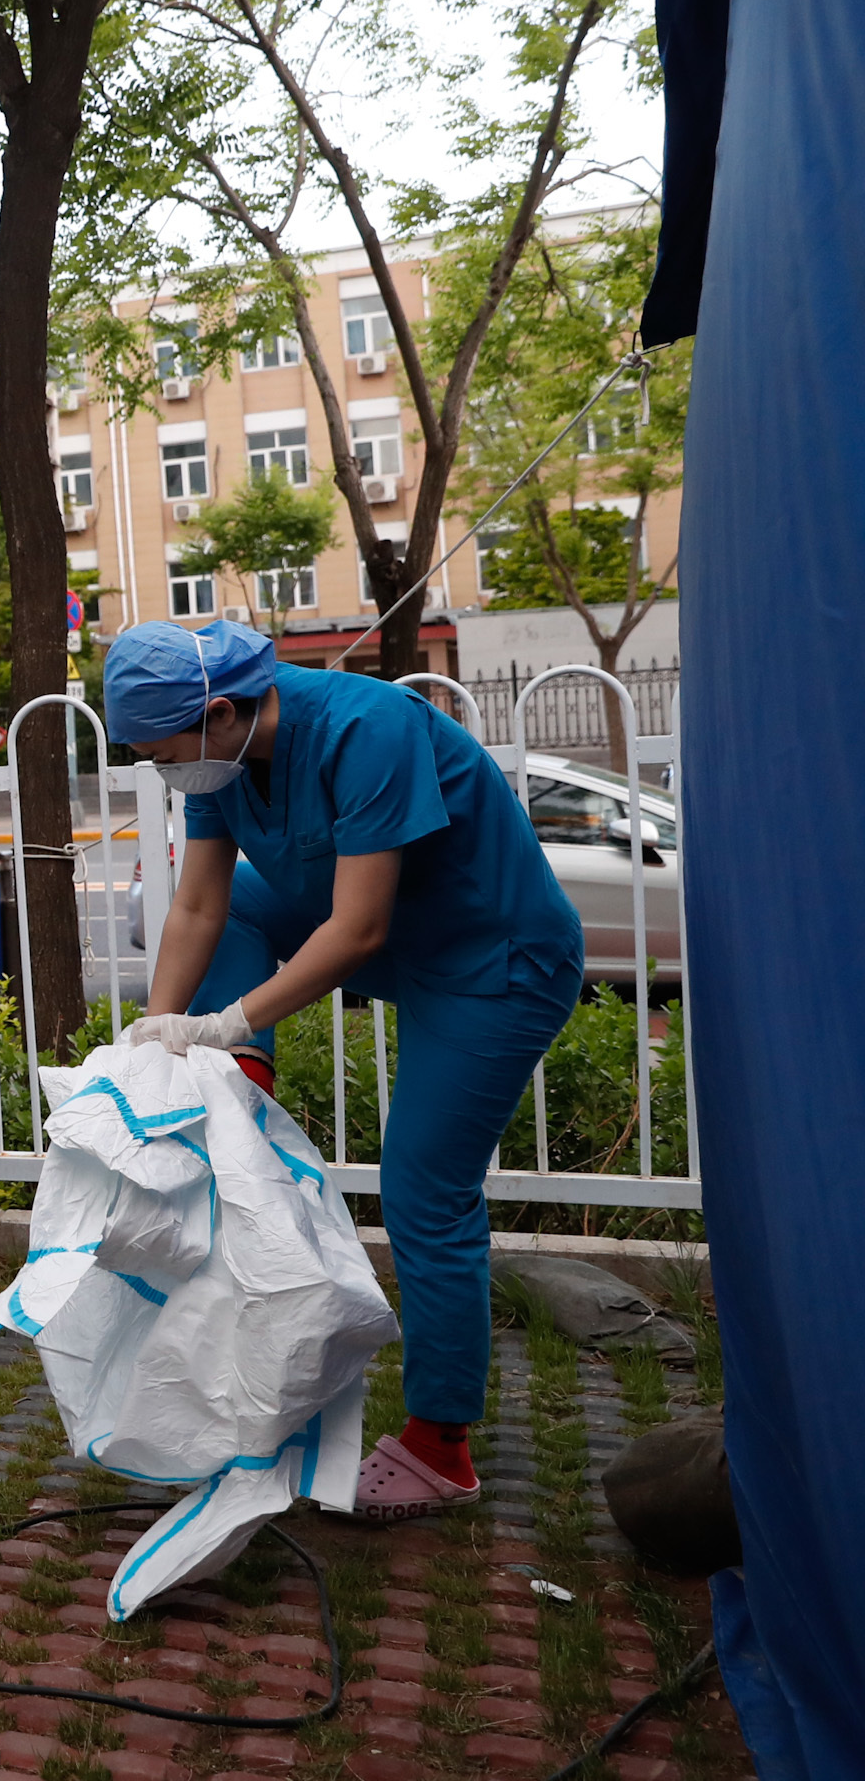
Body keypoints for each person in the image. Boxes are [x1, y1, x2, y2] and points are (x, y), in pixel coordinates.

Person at [108, 618, 584, 1523]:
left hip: (492, 960)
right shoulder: (224, 756)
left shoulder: (370, 730)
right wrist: (160, 1029)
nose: (160, 771)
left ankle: (441, 1447)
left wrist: (229, 1019)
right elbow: (202, 900)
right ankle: (246, 1080)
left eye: (160, 752)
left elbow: (357, 929)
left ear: (219, 713)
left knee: (423, 1192)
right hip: (392, 938)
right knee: (242, 903)